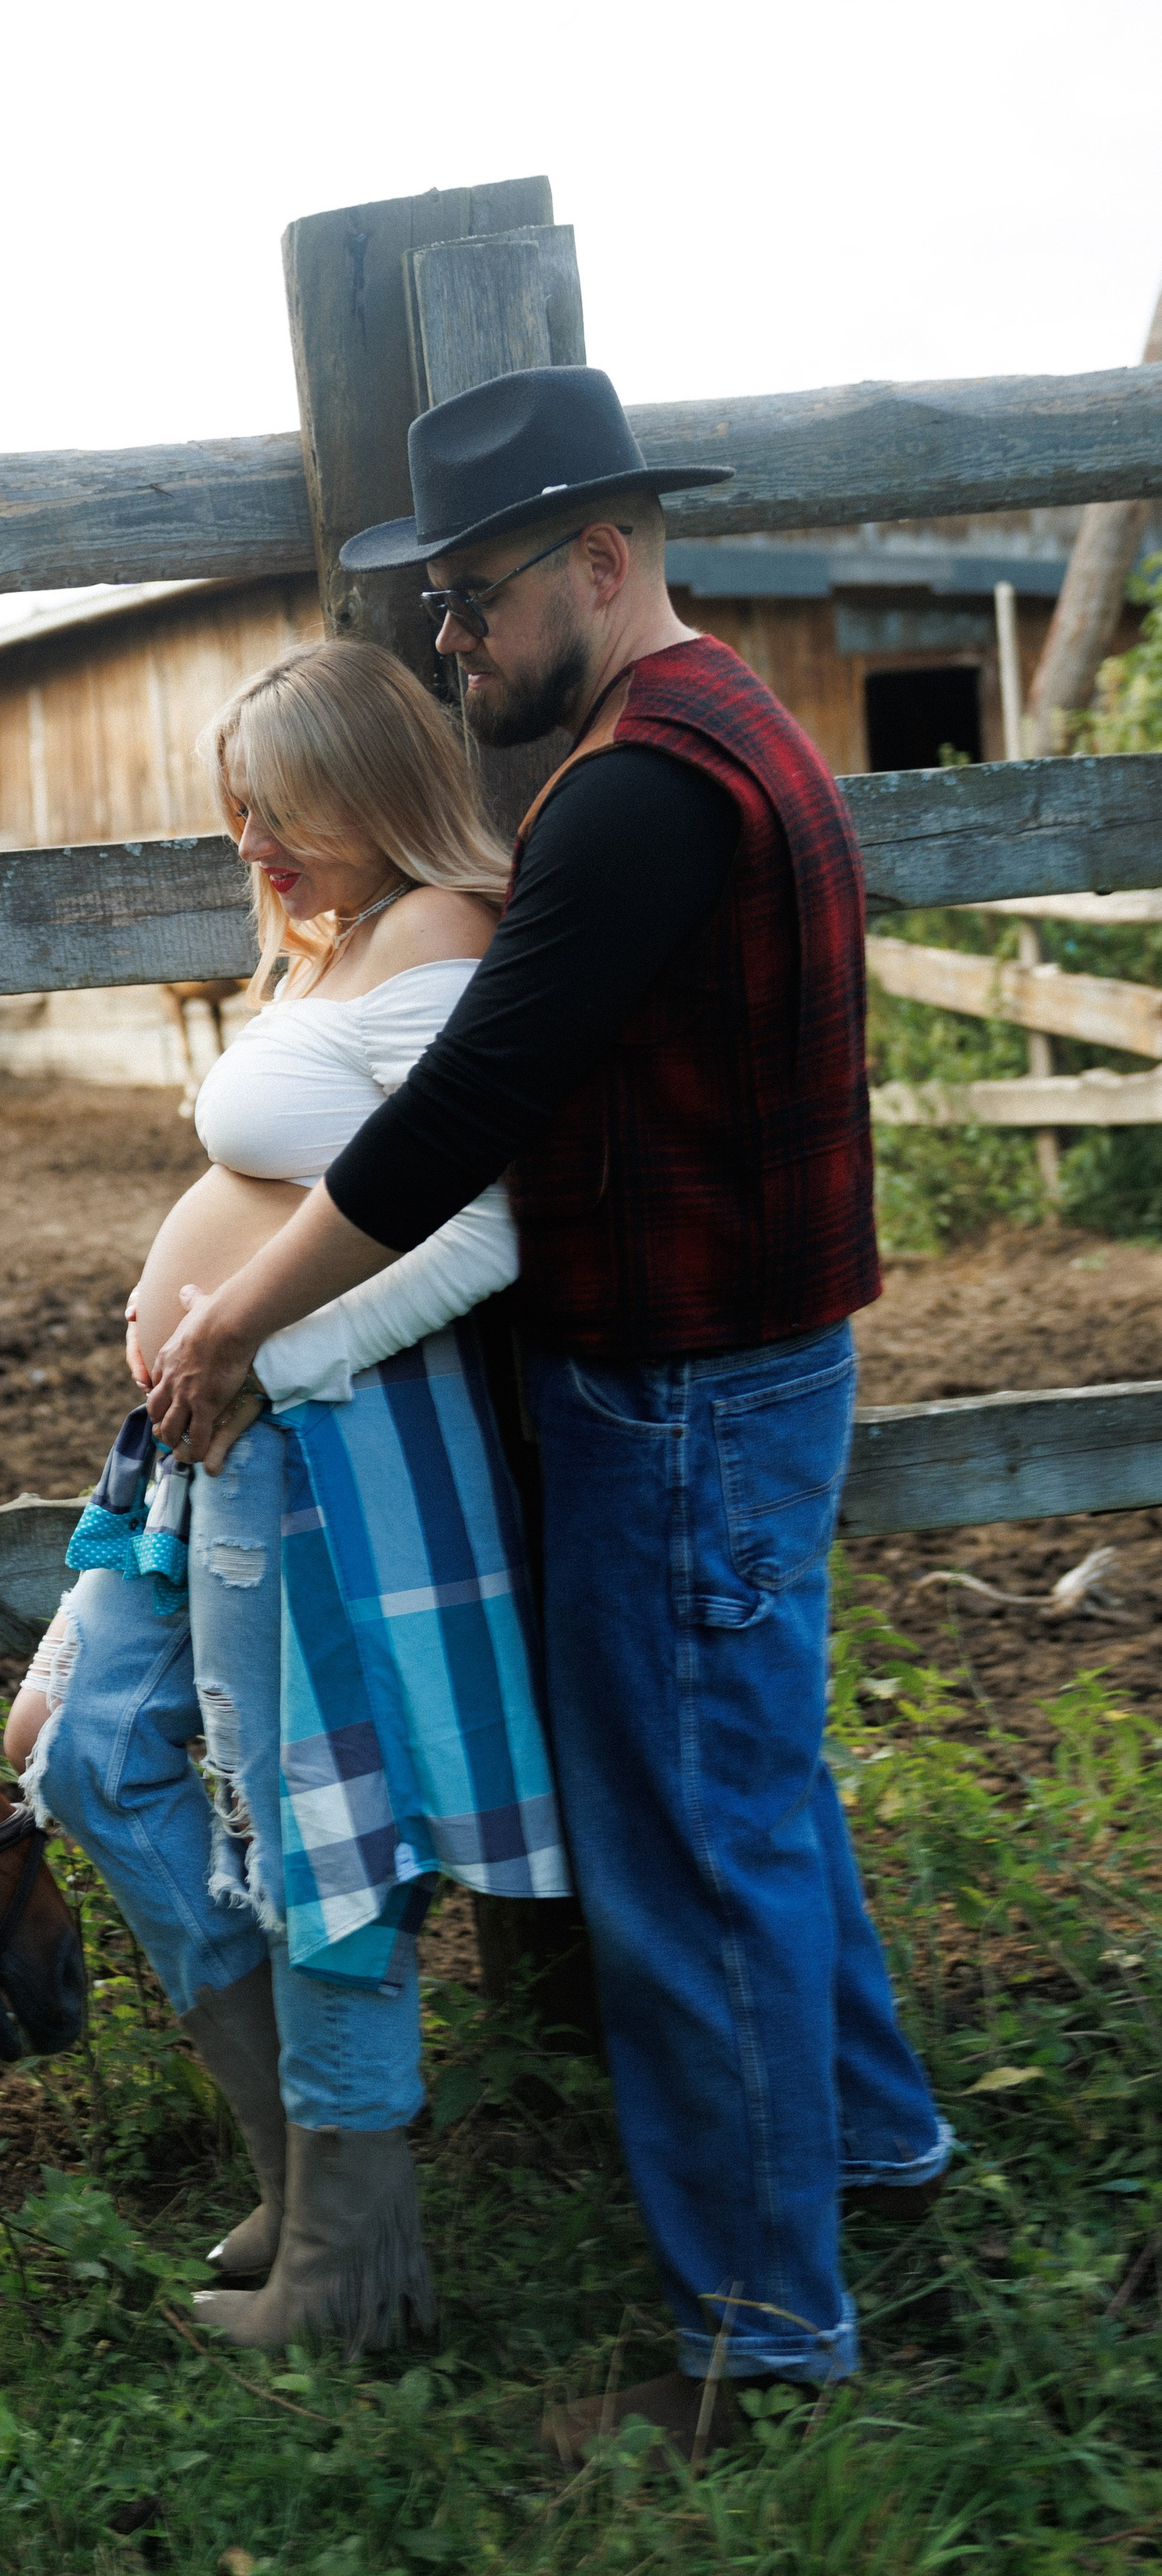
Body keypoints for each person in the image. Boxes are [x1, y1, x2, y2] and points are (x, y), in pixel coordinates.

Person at [143, 366, 948, 2459]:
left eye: (479, 596)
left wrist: (235, 1321)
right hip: (739, 1369)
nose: (452, 642)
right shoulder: (723, 735)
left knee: (685, 1853)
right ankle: (873, 2161)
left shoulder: (631, 797)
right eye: (433, 608)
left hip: (681, 1393)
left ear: (604, 558)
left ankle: (759, 2346)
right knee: (753, 1806)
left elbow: (462, 1113)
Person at [8, 637, 566, 2355]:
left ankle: (346, 2261)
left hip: (328, 1448)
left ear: (372, 790)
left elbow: (481, 1228)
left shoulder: (446, 937)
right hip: (204, 1452)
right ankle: (290, 2171)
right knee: (79, 1744)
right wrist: (206, 1368)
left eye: (281, 816)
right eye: (237, 820)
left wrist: (263, 1360)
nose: (252, 853)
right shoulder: (331, 943)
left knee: (324, 1835)